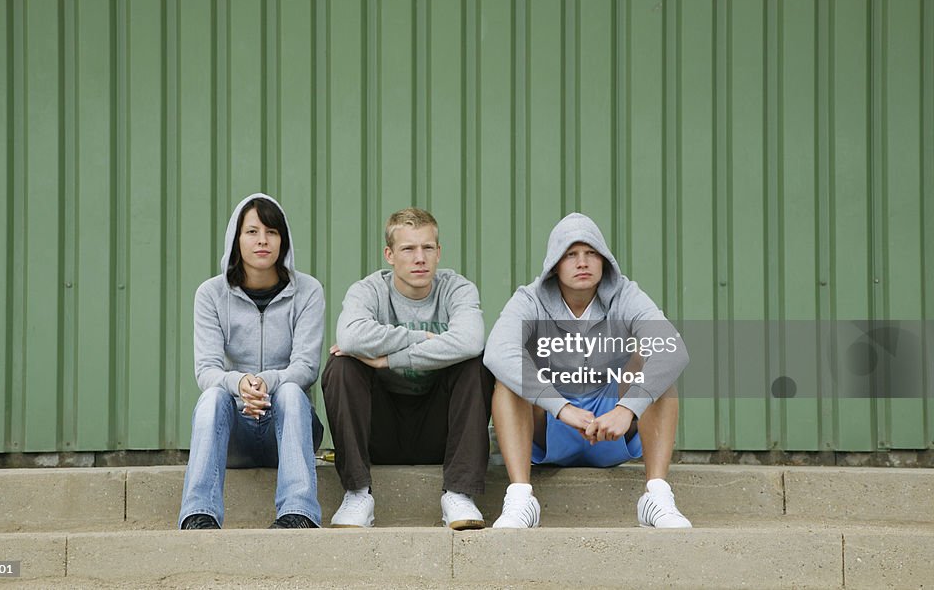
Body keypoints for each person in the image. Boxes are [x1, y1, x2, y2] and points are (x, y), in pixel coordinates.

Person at [483, 212, 692, 529]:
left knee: (655, 362)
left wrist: (626, 409)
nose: (582, 263)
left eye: (591, 253)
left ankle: (656, 496)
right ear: (555, 264)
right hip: (551, 425)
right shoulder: (530, 299)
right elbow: (498, 352)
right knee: (508, 379)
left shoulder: (625, 294)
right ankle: (521, 498)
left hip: (613, 424)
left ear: (605, 261)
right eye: (571, 255)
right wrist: (562, 408)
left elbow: (673, 348)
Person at [323, 207, 492, 529]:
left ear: (439, 252)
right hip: (381, 428)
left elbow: (470, 341)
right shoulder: (369, 290)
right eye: (408, 249)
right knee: (342, 366)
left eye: (427, 248)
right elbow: (350, 336)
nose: (420, 258)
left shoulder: (457, 289)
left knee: (476, 364)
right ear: (389, 254)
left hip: (438, 429)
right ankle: (358, 493)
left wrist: (388, 359)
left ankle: (459, 493)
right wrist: (423, 336)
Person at [178, 193, 325, 530]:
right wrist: (241, 384)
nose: (262, 241)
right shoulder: (211, 294)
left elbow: (306, 367)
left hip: (287, 428)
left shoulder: (308, 291)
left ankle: (298, 513)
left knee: (290, 392)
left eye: (272, 232)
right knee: (213, 396)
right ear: (235, 240)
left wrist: (265, 382)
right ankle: (199, 514)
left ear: (283, 241)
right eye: (252, 232)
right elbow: (207, 370)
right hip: (236, 433)